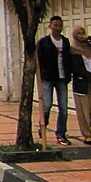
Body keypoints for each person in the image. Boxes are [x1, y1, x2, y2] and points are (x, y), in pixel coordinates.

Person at [37, 16, 72, 146]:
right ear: (50, 26)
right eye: (55, 25)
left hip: (62, 78)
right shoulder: (43, 42)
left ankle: (61, 134)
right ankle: (43, 125)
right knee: (47, 105)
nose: (58, 28)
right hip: (48, 78)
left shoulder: (66, 42)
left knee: (63, 107)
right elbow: (37, 59)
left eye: (60, 25)